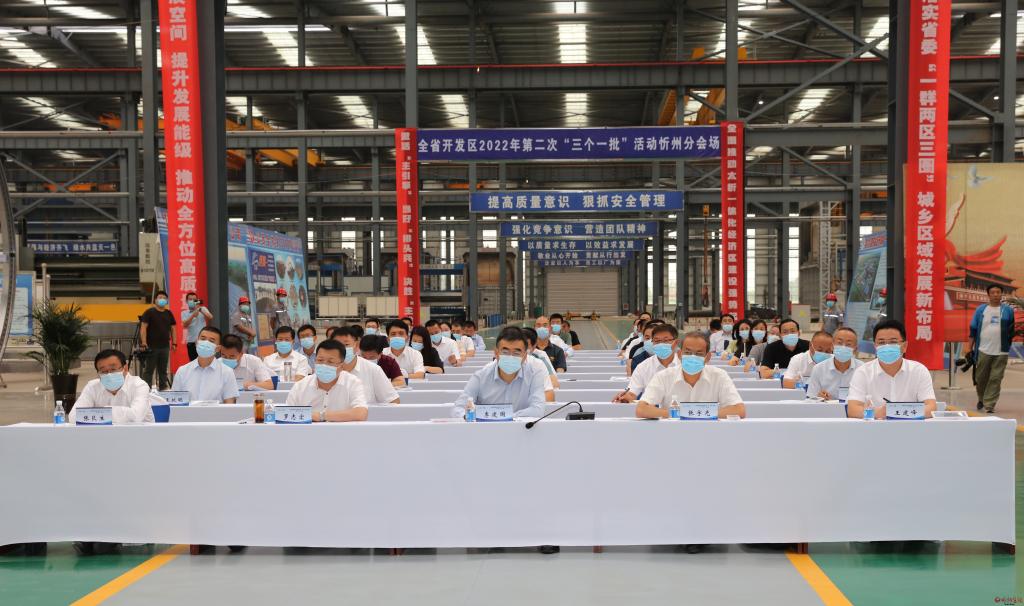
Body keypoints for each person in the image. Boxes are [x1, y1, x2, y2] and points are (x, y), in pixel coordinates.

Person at [635, 331, 746, 421]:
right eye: (687, 353)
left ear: (707, 357)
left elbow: (739, 410)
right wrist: (682, 413)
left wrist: (690, 413)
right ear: (680, 355)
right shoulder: (663, 376)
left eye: (699, 353)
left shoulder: (719, 376)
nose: (693, 357)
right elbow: (641, 409)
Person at [846, 319, 937, 419]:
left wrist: (896, 412)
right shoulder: (863, 372)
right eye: (881, 342)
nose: (887, 346)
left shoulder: (919, 371)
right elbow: (852, 410)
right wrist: (878, 413)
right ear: (875, 346)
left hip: (910, 427)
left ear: (904, 346)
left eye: (893, 342)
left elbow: (931, 407)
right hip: (875, 427)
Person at [453, 326, 545, 420]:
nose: (510, 357)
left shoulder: (534, 374)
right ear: (496, 353)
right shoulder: (481, 376)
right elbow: (458, 409)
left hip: (521, 428)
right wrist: (474, 416)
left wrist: (503, 417)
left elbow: (538, 410)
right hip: (486, 427)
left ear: (525, 356)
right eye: (505, 352)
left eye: (516, 353)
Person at [286, 340, 367, 422]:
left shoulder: (352, 383)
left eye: (330, 362)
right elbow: (286, 415)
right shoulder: (300, 386)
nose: (324, 365)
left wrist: (321, 416)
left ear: (341, 366)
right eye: (320, 360)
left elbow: (361, 413)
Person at [968, 283, 1017, 413]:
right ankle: (981, 398)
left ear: (1001, 294)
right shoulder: (981, 310)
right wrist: (969, 348)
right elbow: (973, 329)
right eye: (993, 292)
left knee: (996, 378)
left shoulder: (1008, 310)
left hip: (1001, 351)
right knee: (980, 378)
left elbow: (1011, 330)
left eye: (998, 292)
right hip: (983, 350)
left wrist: (1007, 344)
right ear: (988, 295)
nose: (996, 295)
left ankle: (989, 404)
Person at [70, 349, 153, 424]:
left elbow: (136, 416)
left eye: (113, 369)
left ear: (125, 369)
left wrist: (102, 412)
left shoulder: (139, 385)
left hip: (140, 434)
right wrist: (109, 413)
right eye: (103, 371)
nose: (109, 374)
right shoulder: (92, 387)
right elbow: (73, 416)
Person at [614, 323, 680, 403]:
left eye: (666, 341)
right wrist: (625, 396)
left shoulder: (683, 365)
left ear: (676, 342)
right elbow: (632, 393)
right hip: (649, 409)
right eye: (657, 341)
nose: (661, 344)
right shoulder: (643, 367)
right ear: (653, 343)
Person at [333, 326, 399, 405]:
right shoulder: (326, 371)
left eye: (346, 344)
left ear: (357, 345)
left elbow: (393, 401)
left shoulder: (373, 369)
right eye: (337, 345)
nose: (341, 349)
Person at [171, 327, 238, 403]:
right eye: (203, 339)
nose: (206, 343)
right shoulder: (182, 371)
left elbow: (230, 404)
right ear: (196, 342)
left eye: (211, 341)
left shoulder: (227, 372)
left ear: (218, 348)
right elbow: (174, 402)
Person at [806, 327, 863, 400]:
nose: (843, 347)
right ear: (832, 346)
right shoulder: (819, 369)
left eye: (848, 344)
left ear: (855, 349)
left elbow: (869, 398)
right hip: (826, 407)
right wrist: (818, 397)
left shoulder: (862, 369)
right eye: (839, 343)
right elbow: (811, 398)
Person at [140, 290, 177, 390]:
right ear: (155, 300)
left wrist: (174, 342)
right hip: (151, 346)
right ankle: (145, 389)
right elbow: (143, 327)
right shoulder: (149, 312)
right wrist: (144, 342)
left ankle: (163, 387)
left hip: (165, 346)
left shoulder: (168, 313)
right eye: (160, 297)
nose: (162, 300)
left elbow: (173, 328)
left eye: (164, 298)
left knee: (163, 370)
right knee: (149, 370)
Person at [523, 327, 558, 398]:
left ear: (534, 346)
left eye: (526, 346)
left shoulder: (540, 358)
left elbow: (554, 383)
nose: (522, 350)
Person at [181, 291, 213, 361]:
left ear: (197, 300)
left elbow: (210, 317)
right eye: (190, 299)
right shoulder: (184, 313)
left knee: (204, 361)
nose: (192, 301)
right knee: (193, 362)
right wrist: (193, 315)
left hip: (203, 341)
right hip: (191, 341)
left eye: (194, 299)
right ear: (186, 301)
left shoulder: (203, 309)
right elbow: (185, 325)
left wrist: (200, 309)